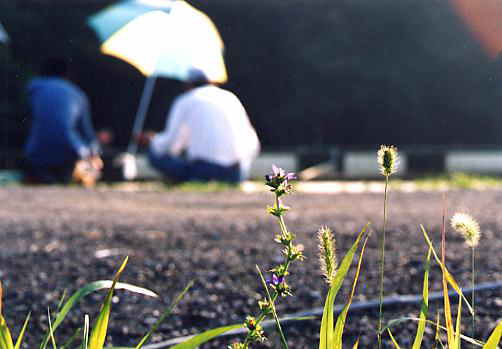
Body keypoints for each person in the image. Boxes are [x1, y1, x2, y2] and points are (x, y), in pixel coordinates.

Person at [140, 69, 260, 183]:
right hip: (237, 172)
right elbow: (252, 141)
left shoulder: (185, 100)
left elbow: (171, 144)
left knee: (154, 154)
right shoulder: (230, 97)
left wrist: (152, 141)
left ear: (188, 84)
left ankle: (182, 181)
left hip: (203, 171)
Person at [23, 57, 103, 186]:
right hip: (69, 151)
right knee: (63, 183)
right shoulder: (78, 94)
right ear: (66, 75)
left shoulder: (34, 88)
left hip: (37, 151)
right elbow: (86, 132)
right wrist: (95, 152)